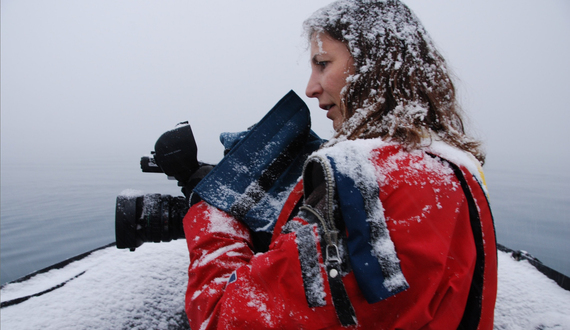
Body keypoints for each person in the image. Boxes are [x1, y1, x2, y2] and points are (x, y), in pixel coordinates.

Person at [183, 0, 497, 329]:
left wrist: (215, 211)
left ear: (374, 66)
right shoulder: (449, 169)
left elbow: (224, 317)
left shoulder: (373, 184)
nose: (310, 88)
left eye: (323, 64)